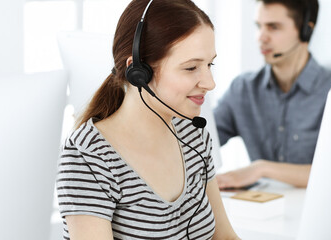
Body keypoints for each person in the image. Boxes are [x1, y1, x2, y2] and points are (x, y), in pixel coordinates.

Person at [56, 0, 239, 239]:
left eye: (209, 64)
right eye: (191, 68)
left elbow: (223, 236)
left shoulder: (193, 135)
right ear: (139, 72)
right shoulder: (89, 156)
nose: (210, 83)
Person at [214, 0, 331, 189]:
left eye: (273, 27)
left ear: (305, 30)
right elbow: (199, 141)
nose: (261, 37)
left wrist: (261, 169)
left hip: (316, 212)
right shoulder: (243, 90)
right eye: (258, 26)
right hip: (262, 211)